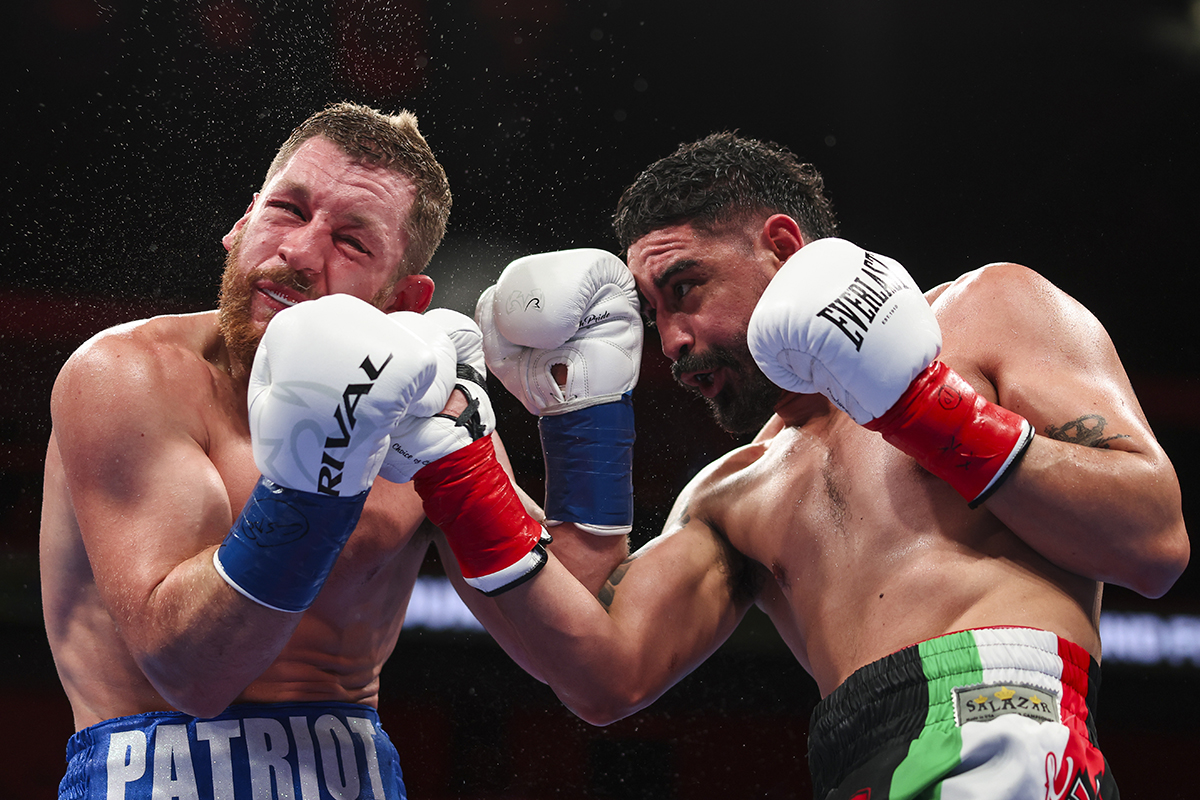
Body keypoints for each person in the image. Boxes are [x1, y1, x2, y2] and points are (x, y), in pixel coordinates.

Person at [460, 132, 1190, 799]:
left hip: (1005, 727)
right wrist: (468, 453)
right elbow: (602, 674)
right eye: (655, 313)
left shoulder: (986, 312)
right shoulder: (732, 491)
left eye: (685, 288)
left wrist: (925, 409)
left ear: (782, 246)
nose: (674, 340)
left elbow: (1155, 543)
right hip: (854, 763)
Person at [39, 101, 574, 800]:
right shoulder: (126, 376)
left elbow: (570, 654)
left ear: (402, 301)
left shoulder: (429, 408)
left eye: (351, 242)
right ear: (242, 222)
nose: (298, 253)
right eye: (287, 210)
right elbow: (192, 677)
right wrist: (321, 471)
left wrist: (583, 418)